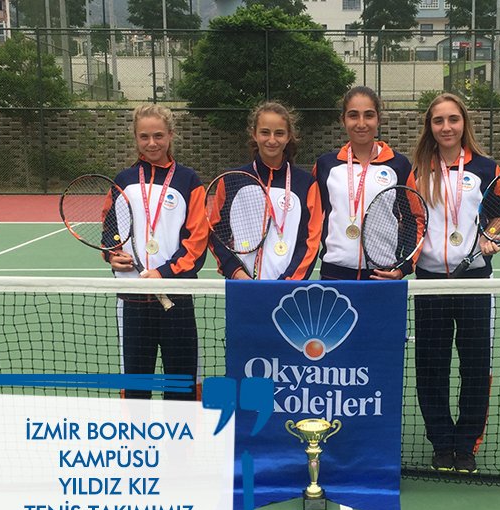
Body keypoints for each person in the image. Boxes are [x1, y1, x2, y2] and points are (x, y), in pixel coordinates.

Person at [412, 93, 500, 474]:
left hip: (475, 281)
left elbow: (496, 217)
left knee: (475, 365)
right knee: (431, 366)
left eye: (453, 119)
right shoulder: (417, 170)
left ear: (464, 123)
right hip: (430, 282)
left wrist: (489, 237)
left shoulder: (486, 168)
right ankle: (441, 441)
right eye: (438, 121)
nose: (446, 127)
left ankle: (465, 445)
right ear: (430, 127)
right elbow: (412, 220)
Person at [106, 104, 208, 400]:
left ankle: (183, 432)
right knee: (136, 387)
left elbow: (197, 240)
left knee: (181, 385)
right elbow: (110, 228)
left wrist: (164, 273)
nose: (152, 143)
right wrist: (112, 254)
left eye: (159, 136)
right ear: (135, 138)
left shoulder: (188, 180)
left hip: (176, 298)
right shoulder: (123, 181)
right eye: (144, 136)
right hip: (132, 299)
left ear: (171, 135)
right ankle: (138, 432)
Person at [313, 86, 418, 281]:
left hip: (382, 275)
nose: (361, 123)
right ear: (343, 120)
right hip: (334, 274)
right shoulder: (326, 165)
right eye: (353, 115)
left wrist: (403, 267)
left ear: (378, 119)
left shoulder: (398, 165)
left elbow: (416, 219)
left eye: (368, 115)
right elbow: (311, 220)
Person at [210, 101, 322, 280]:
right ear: (254, 134)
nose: (272, 140)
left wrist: (286, 283)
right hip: (242, 287)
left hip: (287, 289)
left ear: (289, 136)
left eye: (279, 133)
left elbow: (309, 242)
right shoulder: (231, 180)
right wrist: (237, 274)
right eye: (265, 132)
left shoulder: (306, 184)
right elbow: (216, 234)